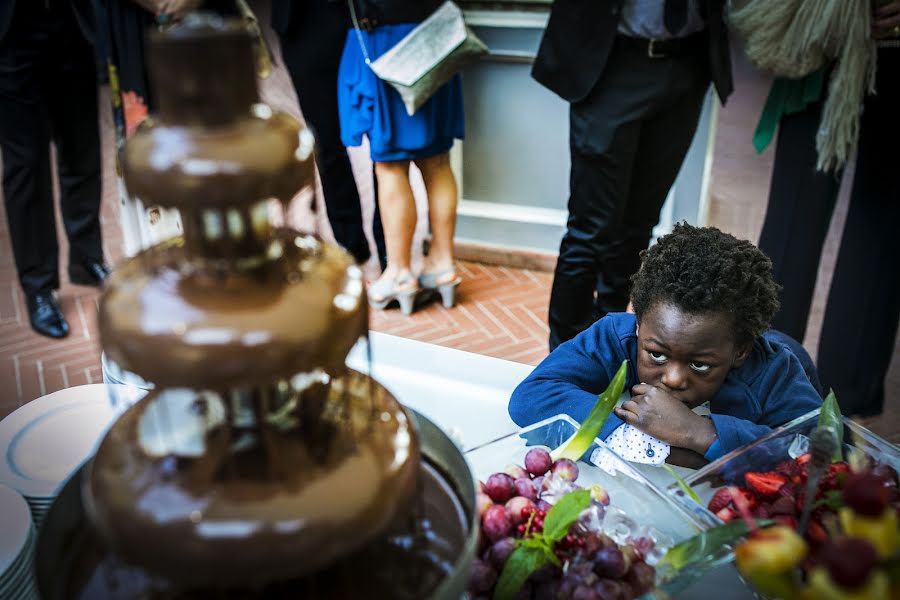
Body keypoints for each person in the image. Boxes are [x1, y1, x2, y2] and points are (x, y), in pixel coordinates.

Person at [508, 223, 822, 465]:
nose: (672, 378)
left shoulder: (775, 372)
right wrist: (647, 443)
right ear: (639, 324)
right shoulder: (617, 335)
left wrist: (699, 432)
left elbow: (821, 450)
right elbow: (531, 396)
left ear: (739, 351)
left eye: (700, 365)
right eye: (656, 354)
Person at [533, 0, 733, 350]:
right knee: (590, 229)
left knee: (638, 226)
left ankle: (607, 341)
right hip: (612, 63)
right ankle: (564, 358)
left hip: (689, 63)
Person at [756, 12, 900, 418]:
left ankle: (846, 406)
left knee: (882, 228)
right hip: (821, 35)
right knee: (792, 217)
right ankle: (764, 372)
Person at [337, 0, 463, 315]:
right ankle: (443, 264)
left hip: (384, 36)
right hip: (432, 35)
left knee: (391, 164)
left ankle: (399, 274)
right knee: (438, 161)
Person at [0, 0, 110, 339]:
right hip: (10, 32)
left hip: (70, 18)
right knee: (26, 167)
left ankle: (87, 258)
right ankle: (38, 287)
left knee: (82, 149)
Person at [271, 0, 387, 270]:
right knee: (326, 141)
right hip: (300, 27)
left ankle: (389, 245)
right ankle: (350, 244)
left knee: (380, 134)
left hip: (359, 17)